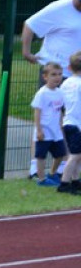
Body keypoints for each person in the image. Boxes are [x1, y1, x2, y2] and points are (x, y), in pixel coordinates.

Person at [21, 0, 81, 177]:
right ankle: (35, 167)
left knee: (71, 121)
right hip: (55, 73)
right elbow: (30, 24)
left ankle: (65, 167)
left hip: (76, 76)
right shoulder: (59, 8)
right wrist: (26, 52)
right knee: (48, 119)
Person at [30, 62, 65, 186]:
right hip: (44, 131)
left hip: (56, 131)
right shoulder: (42, 93)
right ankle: (41, 179)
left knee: (60, 154)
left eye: (60, 74)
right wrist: (39, 130)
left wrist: (61, 124)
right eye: (53, 75)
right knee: (41, 156)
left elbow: (59, 110)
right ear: (45, 77)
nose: (57, 77)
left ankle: (52, 173)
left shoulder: (60, 92)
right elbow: (37, 112)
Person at [56, 51, 81, 195]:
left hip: (68, 122)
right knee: (75, 156)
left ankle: (76, 181)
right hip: (77, 124)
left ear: (69, 68)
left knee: (77, 154)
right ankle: (64, 183)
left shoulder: (66, 83)